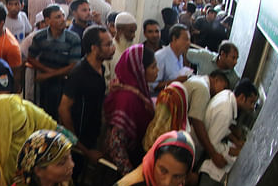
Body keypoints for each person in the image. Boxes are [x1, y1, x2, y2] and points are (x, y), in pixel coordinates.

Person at [0, 94, 80, 185]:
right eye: (17, 133)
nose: (24, 134)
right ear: (1, 132)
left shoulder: (29, 111)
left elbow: (58, 131)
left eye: (25, 126)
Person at [195, 79, 259, 186]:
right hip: (201, 147)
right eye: (251, 102)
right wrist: (234, 151)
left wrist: (235, 140)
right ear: (241, 97)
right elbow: (212, 144)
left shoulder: (228, 95)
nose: (252, 107)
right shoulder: (226, 113)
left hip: (207, 137)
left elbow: (220, 127)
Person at [103, 45, 159, 175]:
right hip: (120, 171)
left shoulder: (135, 90)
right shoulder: (127, 99)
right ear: (139, 69)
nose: (157, 70)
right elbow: (115, 144)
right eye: (153, 67)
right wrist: (130, 176)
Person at [59, 25, 114, 151]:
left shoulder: (101, 68)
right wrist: (77, 144)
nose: (112, 49)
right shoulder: (79, 74)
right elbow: (63, 109)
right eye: (108, 45)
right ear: (94, 48)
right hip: (79, 139)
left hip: (92, 133)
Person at [28, 4, 82, 119]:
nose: (63, 19)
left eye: (63, 16)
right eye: (58, 17)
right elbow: (30, 58)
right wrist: (47, 71)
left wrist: (48, 75)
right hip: (46, 84)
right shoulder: (40, 37)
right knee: (46, 113)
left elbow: (73, 65)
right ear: (47, 21)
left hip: (67, 82)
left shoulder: (73, 38)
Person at [142, 82, 189, 152]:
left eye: (167, 111)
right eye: (160, 108)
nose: (162, 114)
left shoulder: (178, 142)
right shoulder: (153, 127)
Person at [151, 24, 191, 95]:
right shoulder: (160, 56)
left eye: (189, 40)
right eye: (185, 39)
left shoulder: (180, 56)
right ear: (174, 39)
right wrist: (176, 81)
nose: (188, 43)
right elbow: (153, 86)